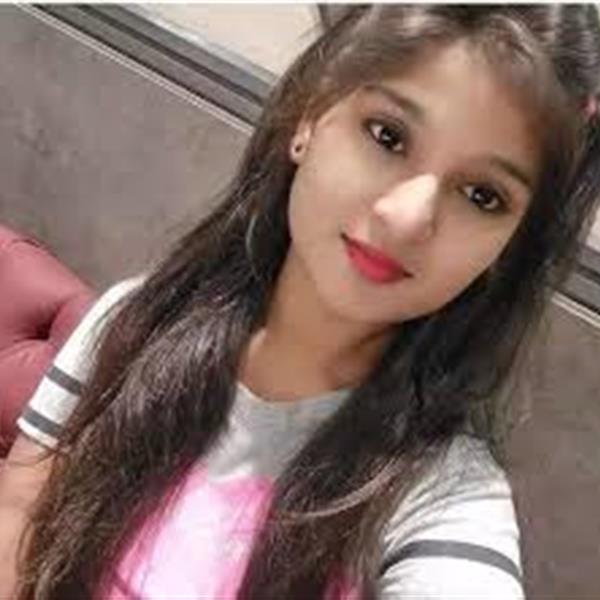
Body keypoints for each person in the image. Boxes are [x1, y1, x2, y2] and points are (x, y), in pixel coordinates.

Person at [1, 5, 600, 598]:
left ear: (506, 248)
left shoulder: (441, 499)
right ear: (310, 118)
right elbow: (17, 523)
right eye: (388, 136)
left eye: (482, 195)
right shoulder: (132, 322)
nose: (406, 218)